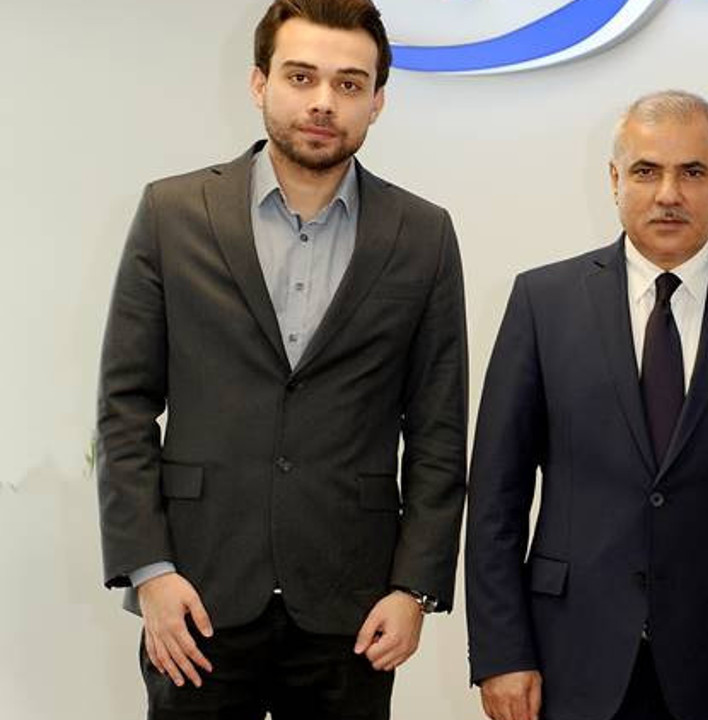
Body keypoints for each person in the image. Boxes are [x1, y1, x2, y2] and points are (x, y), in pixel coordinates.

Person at [95, 1, 468, 717]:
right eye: (302, 77)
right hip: (195, 596)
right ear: (259, 83)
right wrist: (150, 571)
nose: (324, 101)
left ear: (377, 101)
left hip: (352, 605)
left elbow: (439, 429)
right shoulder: (172, 214)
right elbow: (124, 407)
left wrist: (414, 588)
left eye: (350, 84)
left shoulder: (422, 234)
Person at [465, 90, 708, 720]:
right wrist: (501, 652)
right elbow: (495, 498)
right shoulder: (542, 303)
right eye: (646, 171)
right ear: (615, 180)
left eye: (692, 172)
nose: (669, 194)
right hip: (569, 659)